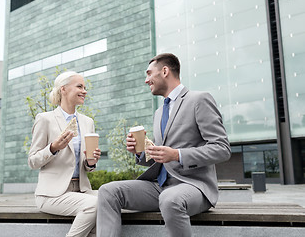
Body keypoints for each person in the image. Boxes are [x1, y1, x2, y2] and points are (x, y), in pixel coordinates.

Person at [96, 53, 231, 237]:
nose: (146, 80)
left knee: (170, 199)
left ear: (165, 71)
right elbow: (160, 155)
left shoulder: (199, 100)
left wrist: (177, 155)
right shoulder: (159, 112)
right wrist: (139, 152)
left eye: (149, 73)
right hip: (160, 186)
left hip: (193, 185)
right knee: (108, 191)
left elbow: (222, 148)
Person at [28, 71, 101, 237]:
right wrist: (53, 148)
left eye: (85, 87)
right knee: (95, 204)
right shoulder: (45, 119)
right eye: (79, 86)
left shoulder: (87, 122)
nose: (85, 91)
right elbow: (32, 161)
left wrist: (91, 161)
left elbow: (87, 166)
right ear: (64, 89)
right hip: (52, 194)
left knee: (112, 199)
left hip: (81, 190)